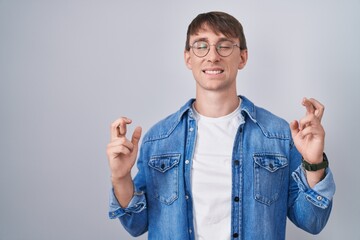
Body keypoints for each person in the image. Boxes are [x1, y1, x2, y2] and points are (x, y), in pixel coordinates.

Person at [106, 11, 335, 240]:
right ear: (188, 57)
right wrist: (120, 177)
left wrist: (314, 164)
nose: (212, 56)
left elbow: (311, 221)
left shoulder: (279, 136)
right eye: (201, 46)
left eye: (224, 46)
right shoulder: (159, 139)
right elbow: (136, 224)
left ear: (243, 57)